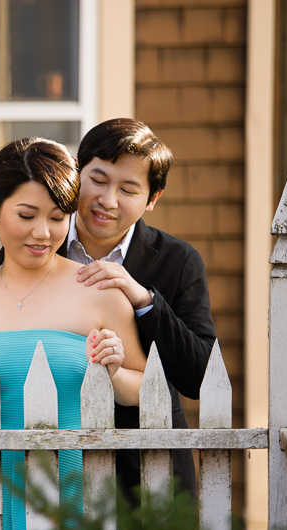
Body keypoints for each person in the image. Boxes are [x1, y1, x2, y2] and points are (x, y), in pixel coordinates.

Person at [0, 137, 148, 530]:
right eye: (26, 215)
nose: (43, 233)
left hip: (77, 485)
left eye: (57, 218)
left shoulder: (100, 292)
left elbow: (146, 391)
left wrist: (112, 370)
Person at [66, 118, 215, 504]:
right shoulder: (37, 244)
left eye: (128, 189)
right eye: (97, 180)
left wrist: (144, 300)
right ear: (76, 172)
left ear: (152, 198)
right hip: (54, 460)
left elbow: (200, 377)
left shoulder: (179, 261)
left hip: (151, 467)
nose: (108, 200)